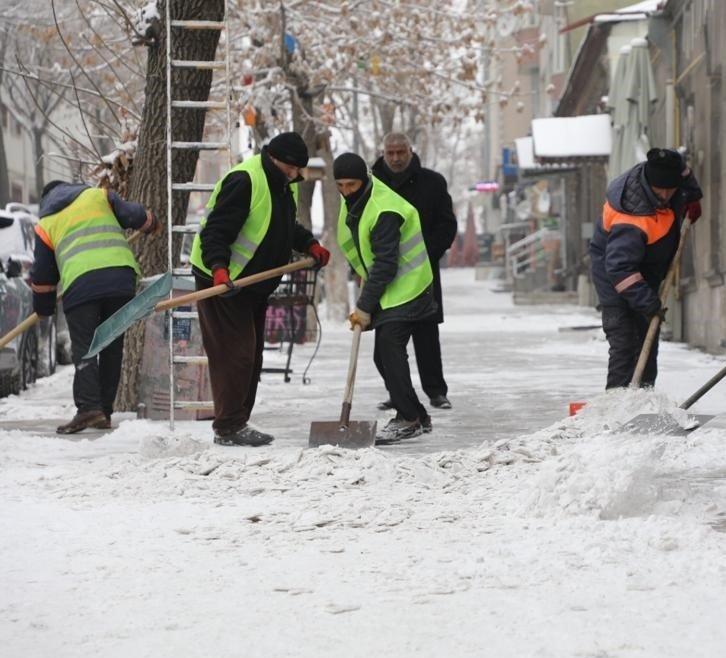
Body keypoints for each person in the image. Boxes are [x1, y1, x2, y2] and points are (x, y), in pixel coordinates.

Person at [190, 131, 331, 447]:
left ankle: (238, 421)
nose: (294, 175)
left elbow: (283, 227)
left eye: (297, 170)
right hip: (223, 281)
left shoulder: (282, 184)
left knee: (251, 356)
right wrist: (218, 268)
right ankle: (228, 426)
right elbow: (216, 231)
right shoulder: (245, 180)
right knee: (235, 354)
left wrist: (309, 244)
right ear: (275, 159)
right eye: (291, 168)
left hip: (252, 284)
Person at [30, 180, 162, 433]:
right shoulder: (97, 196)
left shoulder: (46, 223)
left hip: (81, 286)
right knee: (112, 347)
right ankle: (104, 411)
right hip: (121, 280)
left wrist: (44, 308)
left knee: (86, 349)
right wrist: (150, 222)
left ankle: (89, 408)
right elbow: (133, 214)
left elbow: (43, 274)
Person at [332, 152, 436, 444]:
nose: (345, 192)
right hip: (391, 287)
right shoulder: (357, 199)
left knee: (389, 349)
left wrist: (364, 306)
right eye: (340, 185)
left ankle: (409, 418)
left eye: (351, 185)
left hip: (409, 286)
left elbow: (386, 264)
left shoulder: (384, 209)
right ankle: (417, 415)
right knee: (384, 355)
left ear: (363, 180)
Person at [589, 147, 702, 389]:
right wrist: (649, 304)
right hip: (616, 277)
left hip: (647, 269)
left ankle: (644, 397)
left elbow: (683, 172)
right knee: (625, 341)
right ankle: (617, 400)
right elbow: (619, 269)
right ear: (649, 183)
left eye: (671, 189)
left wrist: (692, 197)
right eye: (659, 190)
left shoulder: (673, 172)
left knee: (647, 341)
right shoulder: (630, 217)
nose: (665, 195)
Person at [370, 132, 457, 411]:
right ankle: (397, 392)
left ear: (410, 151)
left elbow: (447, 225)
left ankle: (436, 391)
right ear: (383, 153)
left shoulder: (432, 183)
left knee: (426, 335)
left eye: (401, 152)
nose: (396, 158)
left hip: (423, 273)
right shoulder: (372, 184)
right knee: (386, 339)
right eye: (390, 153)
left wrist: (424, 256)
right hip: (385, 274)